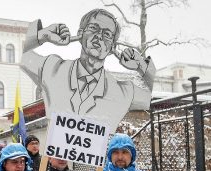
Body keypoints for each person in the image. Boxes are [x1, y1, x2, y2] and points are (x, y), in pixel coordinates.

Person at [20, 9, 156, 134]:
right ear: (80, 33)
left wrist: (142, 66)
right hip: (55, 159)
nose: (99, 37)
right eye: (93, 28)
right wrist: (41, 36)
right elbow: (18, 57)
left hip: (95, 160)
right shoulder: (50, 68)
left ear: (112, 47)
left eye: (107, 34)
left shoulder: (124, 93)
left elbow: (155, 99)